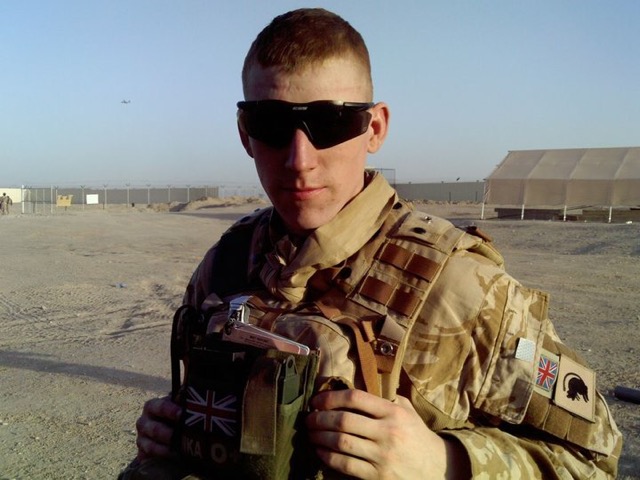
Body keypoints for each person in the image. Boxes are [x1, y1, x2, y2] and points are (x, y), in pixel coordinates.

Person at [123, 8, 622, 479]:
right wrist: (168, 439)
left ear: (374, 127)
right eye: (272, 124)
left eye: (330, 123)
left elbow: (593, 461)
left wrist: (446, 463)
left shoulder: (464, 289)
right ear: (244, 133)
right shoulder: (228, 263)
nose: (300, 159)